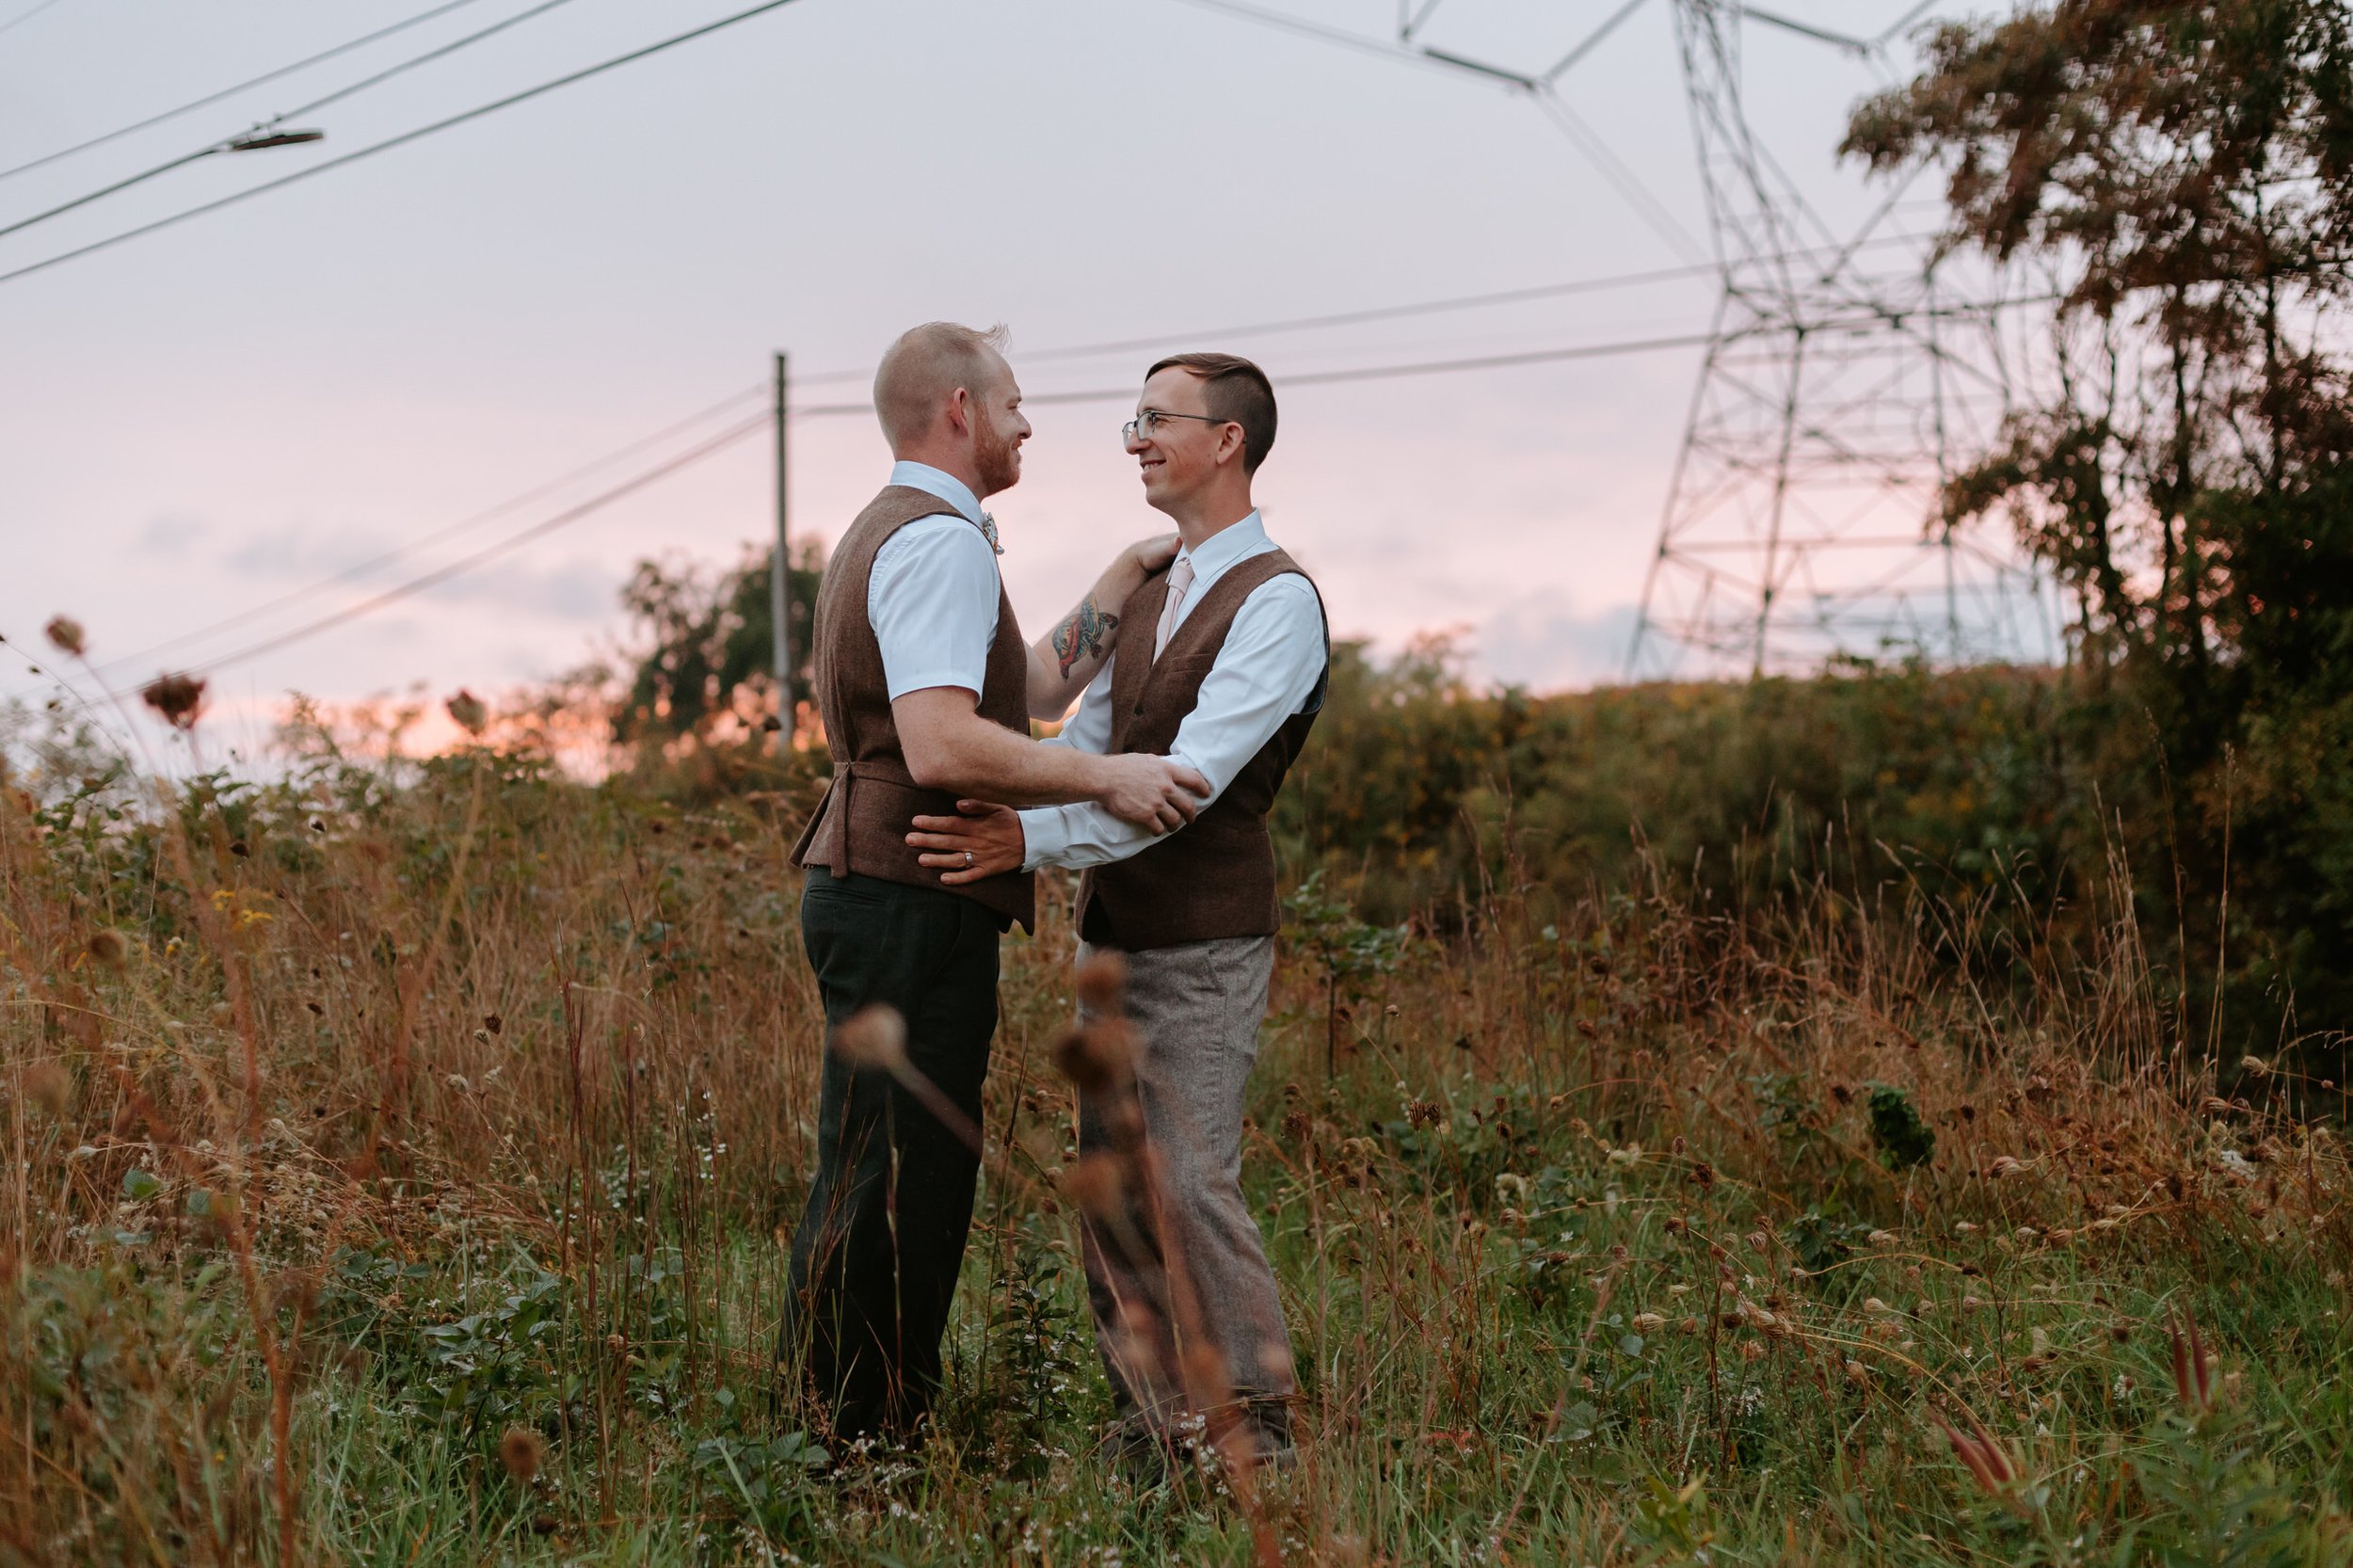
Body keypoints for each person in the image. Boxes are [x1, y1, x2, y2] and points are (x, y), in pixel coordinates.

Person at [783, 321, 1209, 1448]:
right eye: (1015, 402)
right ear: (960, 410)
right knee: (899, 1181)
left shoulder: (903, 531)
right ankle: (862, 1440)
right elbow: (941, 742)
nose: (1029, 423)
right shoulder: (943, 544)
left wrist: (1120, 577)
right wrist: (1105, 777)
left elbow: (1017, 685)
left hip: (882, 885)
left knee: (874, 1160)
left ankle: (833, 1420)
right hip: (908, 890)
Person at [905, 351, 1327, 1467]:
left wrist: (1021, 840)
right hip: (1113, 938)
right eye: (1130, 419)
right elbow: (1082, 750)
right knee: (1114, 1191)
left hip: (1208, 938)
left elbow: (1181, 787)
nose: (1134, 437)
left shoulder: (1278, 602)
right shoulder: (1148, 587)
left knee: (1189, 1178)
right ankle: (1154, 1429)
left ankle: (1257, 1436)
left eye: (1156, 418)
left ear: (1226, 440)